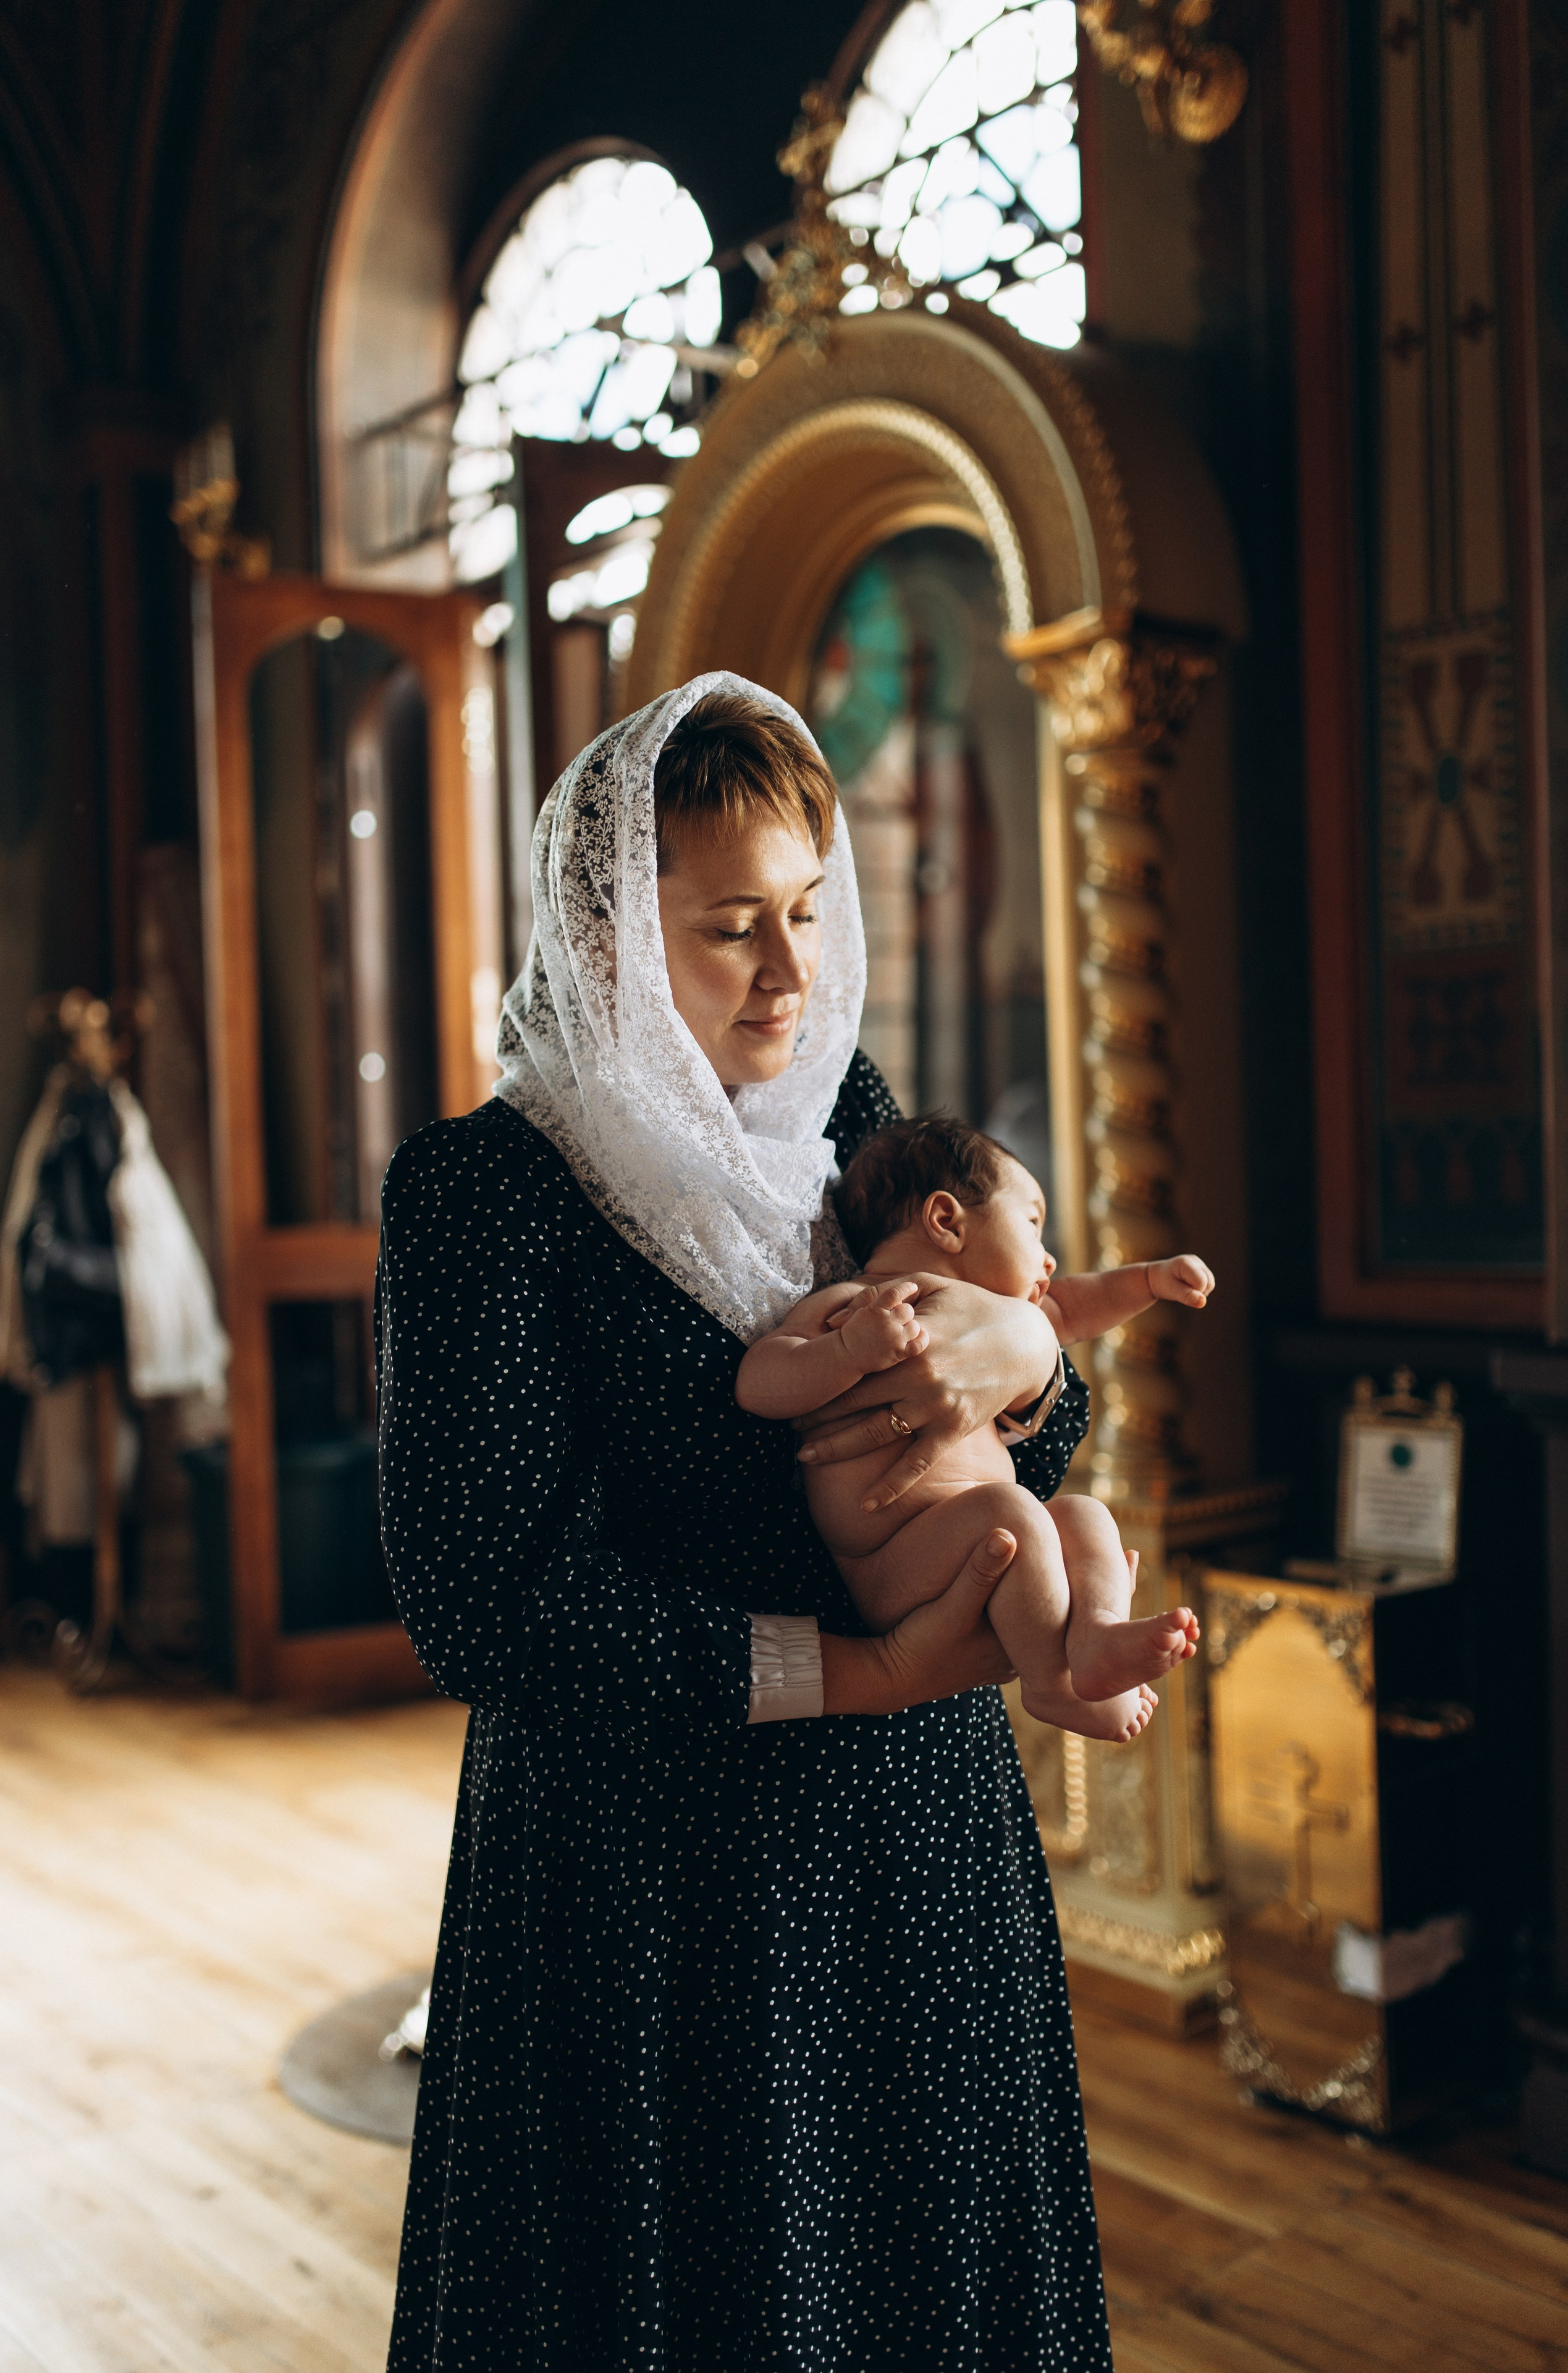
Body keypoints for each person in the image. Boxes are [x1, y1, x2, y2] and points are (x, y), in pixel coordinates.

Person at [377, 677, 1114, 2369]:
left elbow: (1046, 1423)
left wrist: (1023, 1357)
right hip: (651, 1892)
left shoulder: (854, 1130)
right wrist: (851, 1671)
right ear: (614, 937)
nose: (789, 975)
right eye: (729, 931)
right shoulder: (485, 1193)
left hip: (915, 1856)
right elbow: (480, 1600)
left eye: (804, 913)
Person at [737, 1114, 1210, 1741]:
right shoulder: (853, 1304)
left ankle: (1096, 1636)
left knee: (1083, 1516)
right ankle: (1053, 1688)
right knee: (1013, 1515)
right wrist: (847, 1352)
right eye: (1032, 1223)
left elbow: (1068, 1307)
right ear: (946, 1222)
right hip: (888, 1559)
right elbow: (759, 1381)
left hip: (974, 1531)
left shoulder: (1002, 1313)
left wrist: (1148, 1280)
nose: (1048, 1258)